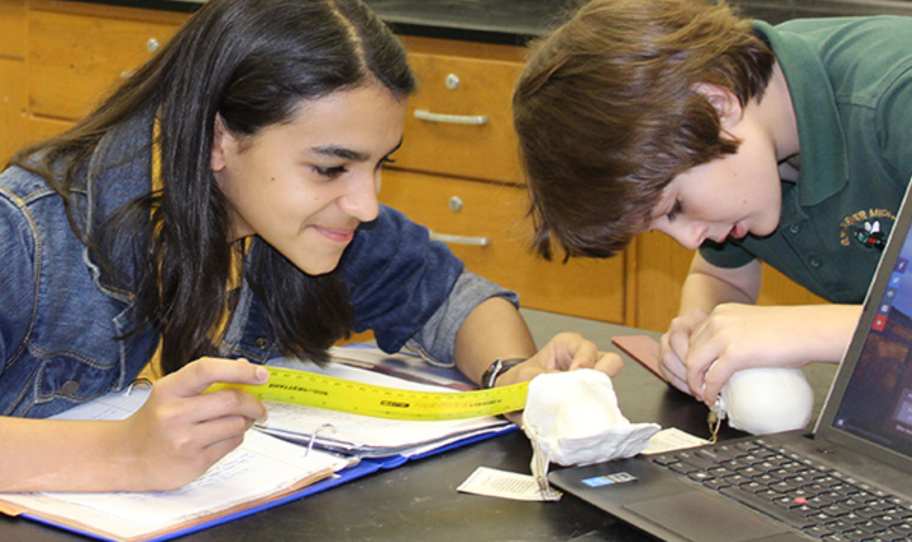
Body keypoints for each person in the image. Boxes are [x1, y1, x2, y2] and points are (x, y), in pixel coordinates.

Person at [0, 0, 622, 493]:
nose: (366, 204)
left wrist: (512, 378)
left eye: (380, 165)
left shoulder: (303, 228)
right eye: (331, 168)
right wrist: (125, 454)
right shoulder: (26, 232)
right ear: (218, 138)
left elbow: (455, 300)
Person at [512, 0, 912, 407]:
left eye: (675, 207)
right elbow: (722, 277)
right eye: (659, 226)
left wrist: (807, 330)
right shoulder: (745, 154)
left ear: (715, 105)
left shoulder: (897, 98)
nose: (688, 241)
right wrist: (703, 330)